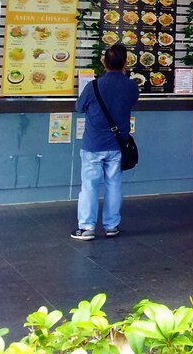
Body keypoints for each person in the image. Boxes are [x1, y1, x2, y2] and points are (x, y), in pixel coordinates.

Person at [71, 44, 139, 240]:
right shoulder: (131, 86)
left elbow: (79, 107)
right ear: (126, 63)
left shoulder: (93, 86)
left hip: (93, 144)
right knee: (114, 184)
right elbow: (132, 101)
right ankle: (111, 226)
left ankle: (86, 228)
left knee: (89, 186)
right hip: (118, 145)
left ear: (103, 63)